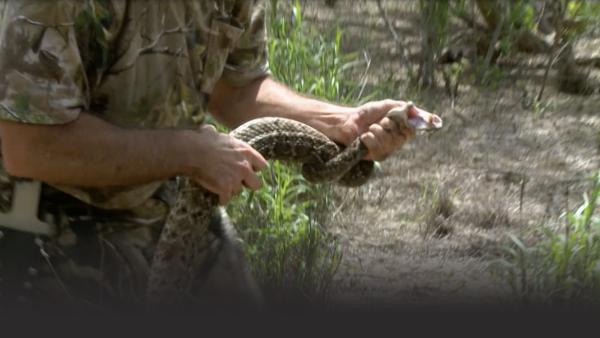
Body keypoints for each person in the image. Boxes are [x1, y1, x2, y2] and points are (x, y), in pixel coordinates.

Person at [0, 0, 419, 310]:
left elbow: (236, 88)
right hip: (44, 222)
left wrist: (341, 122)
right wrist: (189, 152)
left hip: (170, 202)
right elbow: (29, 147)